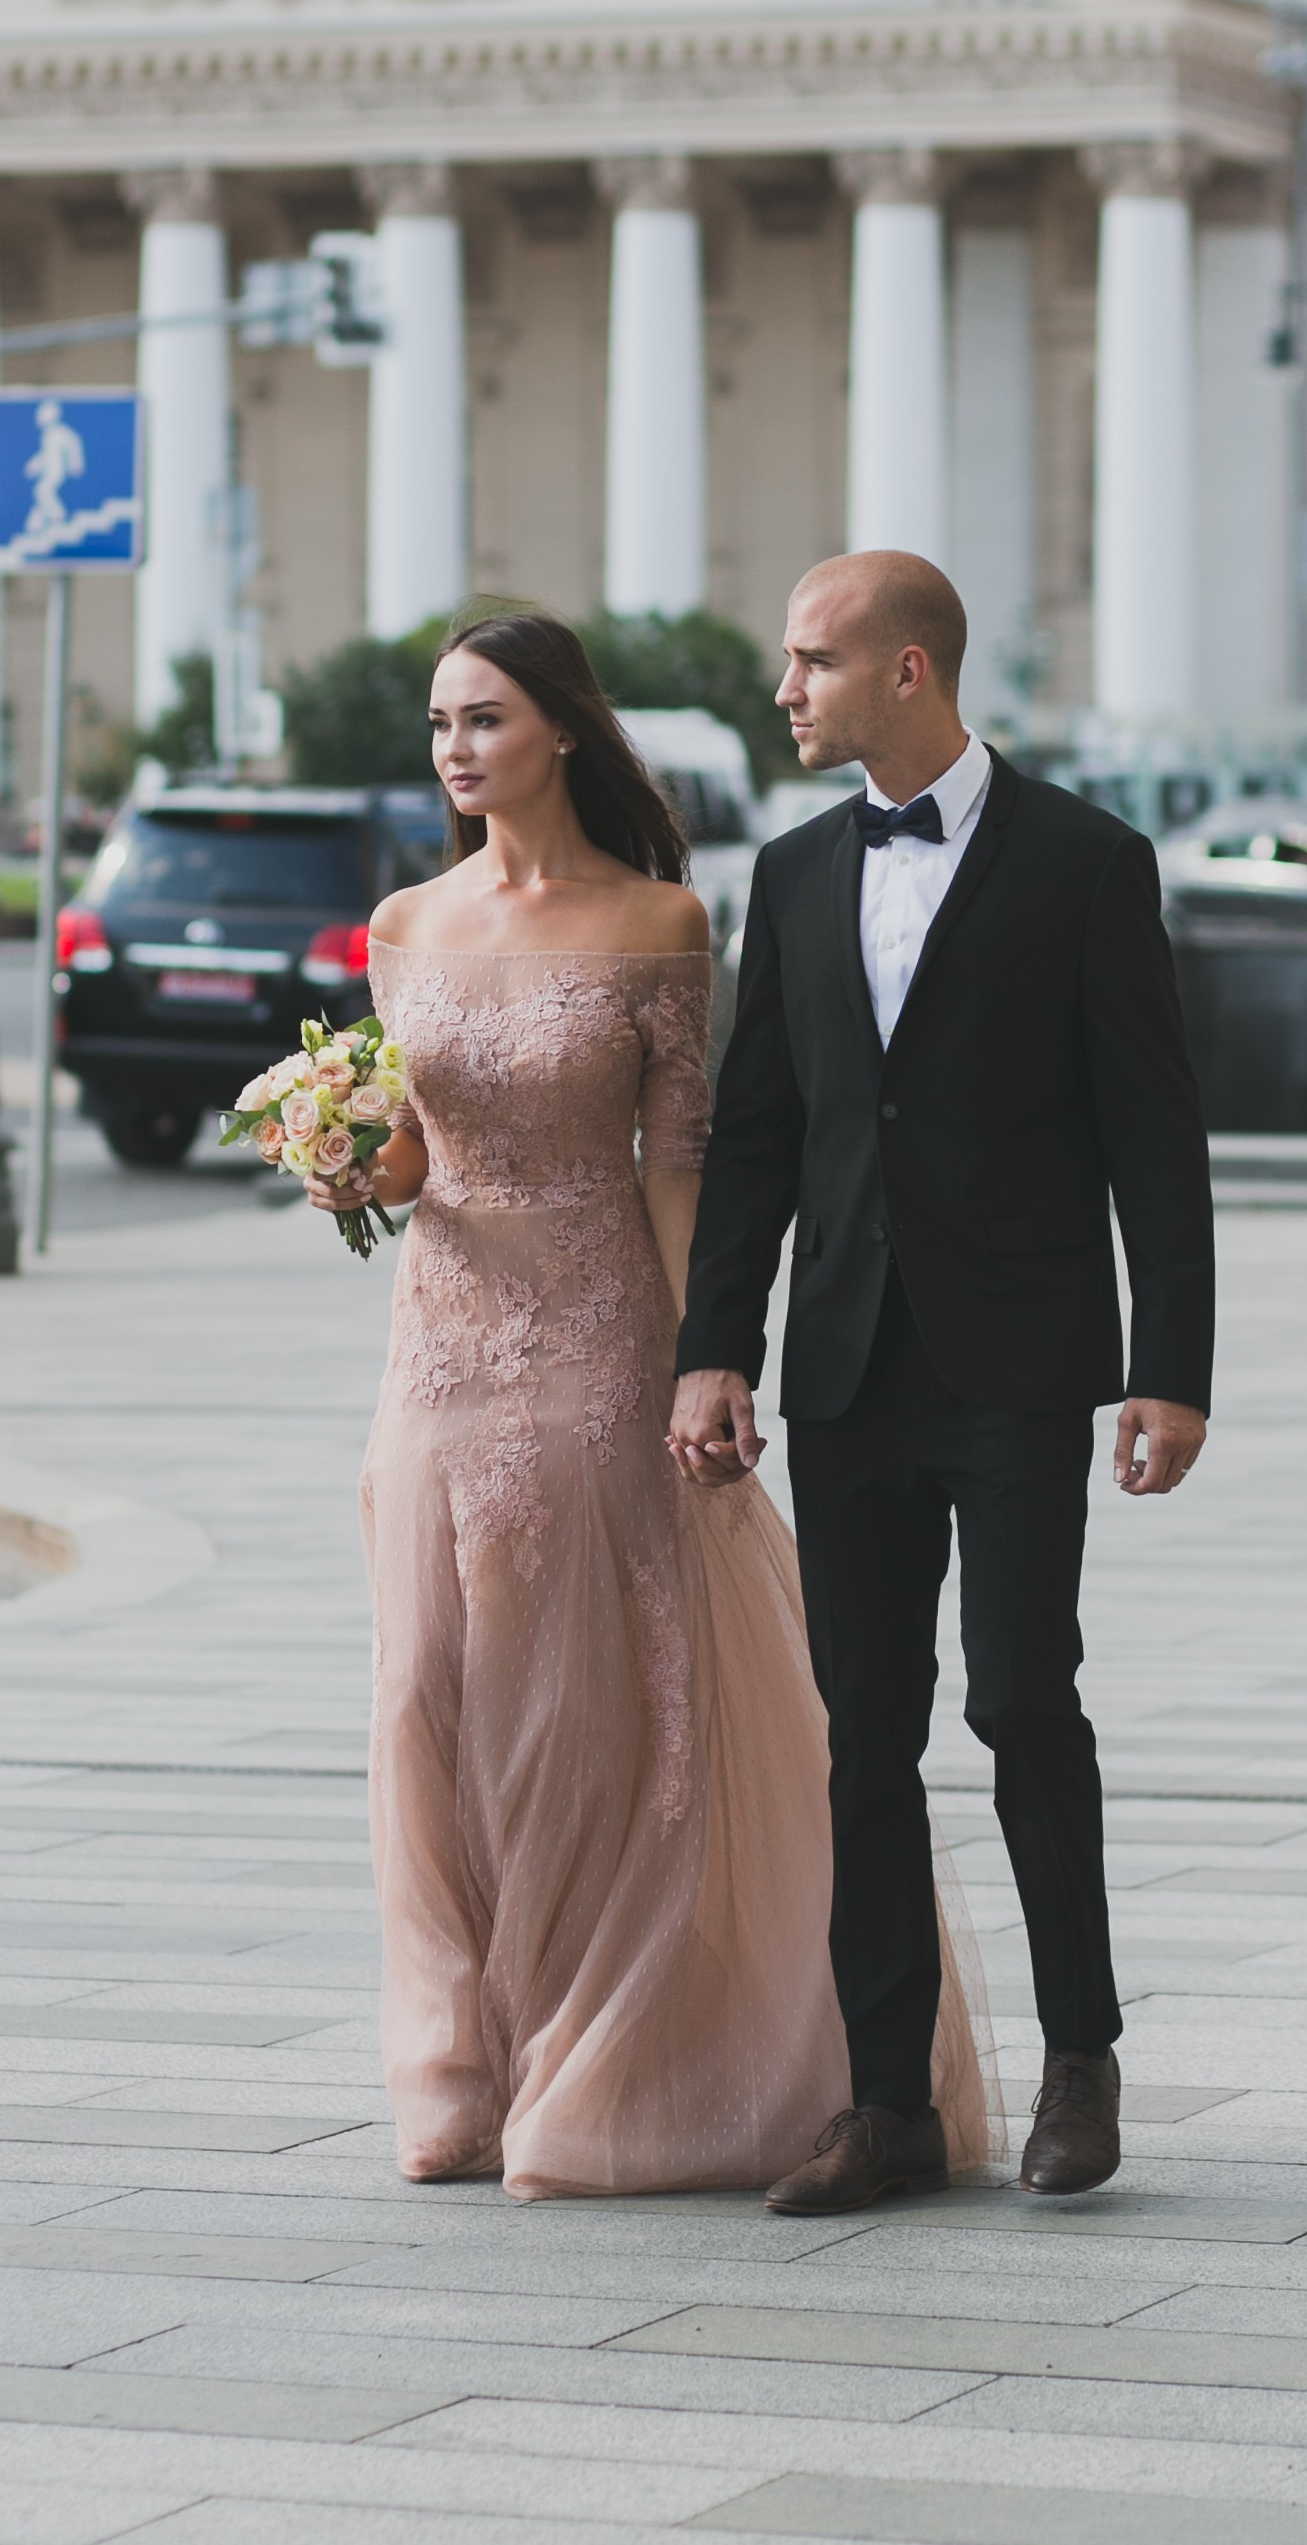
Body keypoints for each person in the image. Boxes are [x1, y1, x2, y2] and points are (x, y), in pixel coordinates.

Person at [299, 606, 990, 2198]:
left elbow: (682, 1160)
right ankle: (450, 2061)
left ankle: (580, 2050)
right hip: (436, 1349)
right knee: (420, 1693)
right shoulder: (406, 918)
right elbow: (410, 1149)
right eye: (436, 726)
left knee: (574, 1710)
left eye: (480, 718)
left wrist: (708, 1353)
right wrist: (352, 1160)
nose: (453, 751)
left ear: (558, 728)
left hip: (600, 1337)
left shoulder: (661, 923)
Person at [671, 552, 1214, 2217]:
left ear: (908, 670)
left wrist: (1166, 1365)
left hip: (1021, 1359)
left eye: (812, 659)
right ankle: (886, 2098)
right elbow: (757, 1134)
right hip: (843, 1365)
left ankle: (1078, 2055)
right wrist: (714, 1345)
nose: (786, 689)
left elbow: (1148, 1127)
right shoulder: (792, 867)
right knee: (862, 1736)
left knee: (1015, 1696)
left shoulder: (1081, 861)